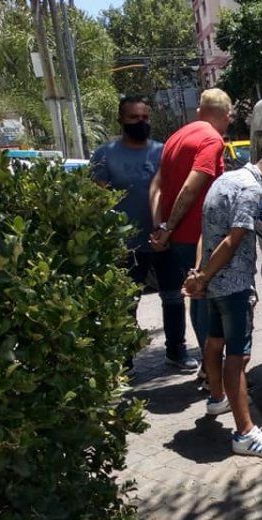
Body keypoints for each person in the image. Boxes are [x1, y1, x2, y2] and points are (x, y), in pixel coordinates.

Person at [182, 143, 262, 458]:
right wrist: (202, 277)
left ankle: (217, 399)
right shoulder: (251, 191)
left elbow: (206, 234)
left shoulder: (225, 180)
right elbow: (232, 240)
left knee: (214, 341)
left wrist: (200, 274)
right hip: (234, 285)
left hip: (215, 284)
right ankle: (245, 433)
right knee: (238, 358)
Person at [149, 88, 232, 371]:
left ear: (199, 112)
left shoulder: (176, 137)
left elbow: (156, 185)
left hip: (180, 238)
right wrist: (169, 226)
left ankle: (210, 369)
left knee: (197, 298)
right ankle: (214, 373)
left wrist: (161, 227)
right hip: (199, 236)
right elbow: (192, 186)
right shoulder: (211, 139)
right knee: (208, 303)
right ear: (226, 115)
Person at [89, 95, 166, 367]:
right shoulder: (104, 155)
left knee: (174, 299)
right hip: (125, 246)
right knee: (126, 303)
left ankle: (177, 351)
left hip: (163, 241)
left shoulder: (162, 151)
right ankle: (125, 361)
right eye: (134, 117)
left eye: (145, 117)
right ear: (121, 119)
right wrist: (110, 240)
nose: (140, 122)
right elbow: (96, 201)